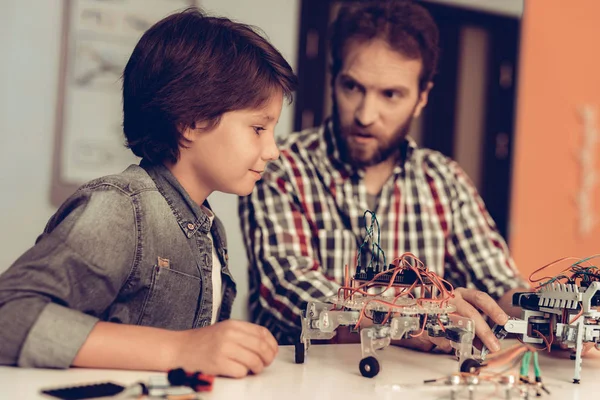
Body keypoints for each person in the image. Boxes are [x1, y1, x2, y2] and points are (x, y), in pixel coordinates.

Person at [0, 8, 297, 378]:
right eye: (258, 128)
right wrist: (180, 348)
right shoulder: (121, 209)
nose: (273, 150)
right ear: (191, 122)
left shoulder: (205, 224)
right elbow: (9, 315)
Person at [239, 0, 529, 353]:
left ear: (422, 98)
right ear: (333, 78)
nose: (365, 114)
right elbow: (291, 291)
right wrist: (423, 313)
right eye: (353, 87)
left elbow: (499, 286)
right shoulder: (282, 167)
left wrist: (550, 312)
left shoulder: (445, 181)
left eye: (390, 94)